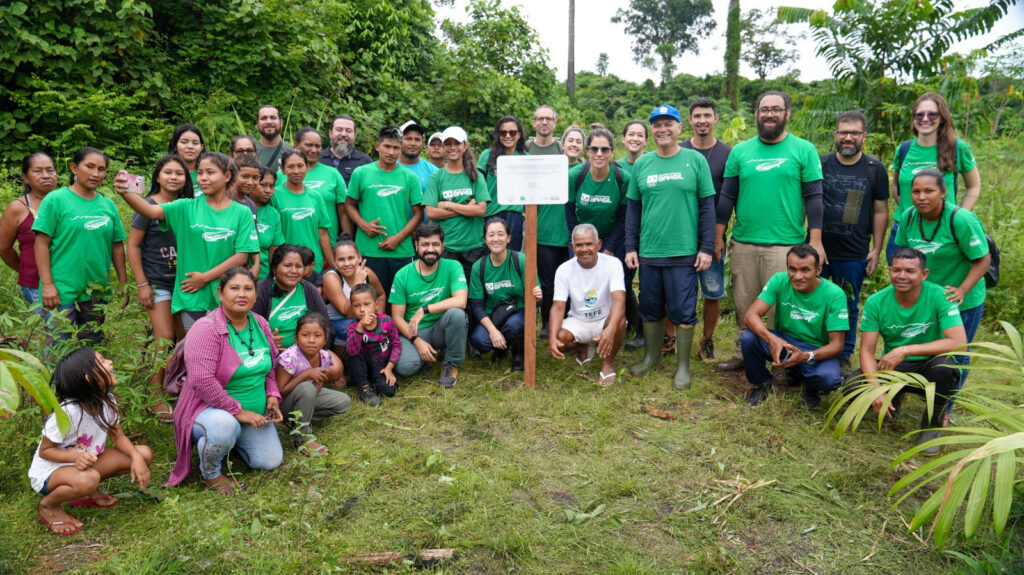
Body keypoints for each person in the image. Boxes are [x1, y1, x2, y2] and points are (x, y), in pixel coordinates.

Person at [715, 90, 825, 372]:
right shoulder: (740, 151)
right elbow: (727, 196)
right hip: (744, 242)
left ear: (787, 114)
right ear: (756, 114)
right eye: (764, 109)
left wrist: (815, 239)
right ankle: (743, 353)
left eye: (776, 109)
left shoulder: (803, 150)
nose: (769, 114)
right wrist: (719, 235)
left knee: (781, 310)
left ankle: (784, 361)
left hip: (785, 245)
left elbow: (814, 196)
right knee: (744, 303)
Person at [167, 268, 284, 492]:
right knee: (224, 425)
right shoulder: (206, 328)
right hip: (207, 410)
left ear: (256, 294)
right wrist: (237, 411)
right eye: (234, 288)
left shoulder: (260, 323)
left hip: (253, 414)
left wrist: (272, 395)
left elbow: (270, 365)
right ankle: (211, 472)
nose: (242, 294)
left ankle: (231, 441)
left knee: (270, 461)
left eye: (248, 289)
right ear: (220, 293)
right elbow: (202, 380)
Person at [625, 105, 715, 390]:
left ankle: (683, 367)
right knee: (650, 306)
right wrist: (631, 246)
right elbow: (633, 211)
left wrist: (706, 247)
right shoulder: (643, 164)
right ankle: (652, 357)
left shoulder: (695, 160)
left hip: (684, 252)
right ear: (652, 130)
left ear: (679, 128)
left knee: (683, 309)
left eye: (668, 124)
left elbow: (707, 208)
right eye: (657, 124)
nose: (662, 129)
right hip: (650, 252)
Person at [116, 153, 258, 330]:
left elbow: (241, 256)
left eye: (210, 172)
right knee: (195, 350)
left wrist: (204, 278)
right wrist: (125, 193)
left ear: (227, 176)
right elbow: (150, 211)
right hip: (192, 294)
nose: (203, 178)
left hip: (227, 294)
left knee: (224, 350)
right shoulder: (185, 207)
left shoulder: (242, 212)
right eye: (200, 173)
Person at [847, 247, 967, 455]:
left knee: (945, 368)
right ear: (890, 271)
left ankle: (932, 424)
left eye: (910, 271)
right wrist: (875, 388)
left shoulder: (940, 295)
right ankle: (893, 397)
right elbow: (866, 351)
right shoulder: (876, 302)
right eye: (896, 270)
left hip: (931, 365)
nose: (902, 276)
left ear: (924, 274)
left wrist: (905, 349)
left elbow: (958, 342)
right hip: (896, 367)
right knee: (852, 386)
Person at [28, 348, 153, 535]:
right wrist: (75, 457)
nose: (110, 362)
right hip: (51, 472)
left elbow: (117, 436)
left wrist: (135, 456)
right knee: (89, 478)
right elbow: (45, 451)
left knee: (143, 454)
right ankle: (48, 506)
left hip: (86, 464)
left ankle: (87, 490)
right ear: (89, 378)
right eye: (103, 361)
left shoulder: (106, 400)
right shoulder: (68, 412)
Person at [895, 169, 990, 399]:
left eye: (929, 191)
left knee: (957, 352)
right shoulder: (909, 217)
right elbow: (905, 254)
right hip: (927, 296)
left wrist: (962, 289)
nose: (921, 197)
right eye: (916, 191)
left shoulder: (961, 220)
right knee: (924, 344)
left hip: (959, 298)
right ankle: (908, 390)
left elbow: (983, 259)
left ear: (943, 192)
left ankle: (945, 405)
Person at [126, 154, 195, 422]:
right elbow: (132, 245)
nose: (174, 177)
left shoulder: (189, 205)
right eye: (168, 172)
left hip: (184, 283)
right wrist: (142, 284)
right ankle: (154, 396)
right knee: (164, 336)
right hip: (157, 281)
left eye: (179, 173)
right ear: (157, 176)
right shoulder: (147, 206)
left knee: (183, 339)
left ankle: (175, 385)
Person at [819, 111, 889, 374]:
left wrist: (876, 249)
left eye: (855, 133)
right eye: (843, 132)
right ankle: (813, 347)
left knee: (848, 303)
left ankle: (844, 353)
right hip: (819, 249)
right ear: (835, 135)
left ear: (863, 137)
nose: (848, 137)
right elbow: (808, 202)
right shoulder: (821, 163)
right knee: (810, 300)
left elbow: (880, 210)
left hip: (853, 251)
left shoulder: (874, 169)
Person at [34, 147, 127, 342]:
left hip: (95, 290)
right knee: (59, 350)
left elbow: (117, 245)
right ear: (74, 168)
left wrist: (123, 283)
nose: (96, 174)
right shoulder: (55, 200)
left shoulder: (108, 205)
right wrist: (48, 284)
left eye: (101, 169)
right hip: (61, 291)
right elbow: (41, 243)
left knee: (91, 350)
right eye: (90, 166)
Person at [741, 244, 848, 407]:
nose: (797, 276)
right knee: (749, 338)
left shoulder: (834, 294)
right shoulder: (779, 280)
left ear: (818, 270)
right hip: (785, 342)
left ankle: (810, 386)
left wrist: (807, 355)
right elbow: (750, 315)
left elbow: (837, 345)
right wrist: (771, 339)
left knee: (829, 379)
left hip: (815, 349)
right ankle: (761, 385)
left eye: (805, 270)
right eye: (792, 269)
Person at [564, 128, 636, 351]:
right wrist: (580, 244)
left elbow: (625, 216)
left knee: (618, 285)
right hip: (582, 237)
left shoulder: (622, 178)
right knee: (580, 284)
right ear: (587, 150)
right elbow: (569, 213)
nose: (599, 153)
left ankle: (622, 327)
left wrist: (610, 248)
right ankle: (581, 333)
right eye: (594, 148)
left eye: (605, 149)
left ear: (612, 152)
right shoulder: (575, 176)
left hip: (613, 236)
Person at [887, 92, 981, 262]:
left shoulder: (957, 148)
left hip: (943, 231)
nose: (925, 119)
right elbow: (897, 186)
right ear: (913, 118)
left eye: (932, 114)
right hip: (905, 229)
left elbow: (973, 186)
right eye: (919, 114)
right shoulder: (904, 149)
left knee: (940, 283)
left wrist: (960, 216)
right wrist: (909, 210)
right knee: (903, 282)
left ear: (942, 118)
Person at [681, 98, 733, 363]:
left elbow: (729, 198)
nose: (702, 120)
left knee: (712, 291)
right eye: (697, 116)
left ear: (716, 119)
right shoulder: (677, 150)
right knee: (675, 289)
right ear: (689, 120)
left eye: (707, 115)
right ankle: (670, 338)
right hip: (679, 233)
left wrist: (717, 236)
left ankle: (707, 340)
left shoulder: (727, 153)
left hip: (712, 235)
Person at [345, 126, 425, 297]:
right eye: (387, 146)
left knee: (400, 300)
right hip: (367, 249)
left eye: (396, 148)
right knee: (370, 299)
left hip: (401, 250)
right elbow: (349, 204)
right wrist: (363, 224)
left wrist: (398, 238)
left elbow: (419, 213)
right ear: (377, 146)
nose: (391, 152)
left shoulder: (409, 177)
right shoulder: (361, 173)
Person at [389, 223, 469, 388]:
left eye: (435, 244)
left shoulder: (453, 266)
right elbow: (396, 317)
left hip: (442, 326)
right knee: (405, 367)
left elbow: (461, 301)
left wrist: (424, 309)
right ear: (416, 245)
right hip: (414, 330)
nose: (430, 249)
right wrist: (416, 340)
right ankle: (426, 358)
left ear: (442, 246)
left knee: (457, 314)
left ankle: (450, 364)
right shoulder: (402, 275)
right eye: (425, 244)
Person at [549, 224, 626, 387]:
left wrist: (610, 329)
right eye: (579, 245)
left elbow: (619, 299)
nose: (584, 249)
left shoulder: (613, 263)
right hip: (579, 320)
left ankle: (608, 363)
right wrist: (552, 337)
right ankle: (582, 348)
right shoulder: (564, 269)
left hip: (605, 318)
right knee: (560, 339)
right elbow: (558, 307)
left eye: (589, 244)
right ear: (572, 247)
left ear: (598, 244)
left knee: (619, 321)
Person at [469, 218, 543, 371]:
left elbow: (537, 302)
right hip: (495, 315)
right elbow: (477, 306)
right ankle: (501, 347)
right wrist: (493, 331)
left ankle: (519, 352)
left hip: (520, 313)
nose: (496, 239)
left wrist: (538, 296)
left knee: (514, 325)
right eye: (491, 235)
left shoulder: (521, 261)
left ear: (509, 238)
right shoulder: (479, 267)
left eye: (501, 234)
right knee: (479, 340)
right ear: (485, 239)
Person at [275, 312, 350, 456]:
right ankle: (302, 438)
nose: (311, 340)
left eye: (317, 336)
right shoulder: (290, 357)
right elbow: (281, 390)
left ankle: (299, 419)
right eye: (305, 335)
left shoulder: (324, 356)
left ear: (325, 340)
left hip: (306, 396)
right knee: (307, 387)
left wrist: (313, 398)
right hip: (284, 404)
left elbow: (319, 381)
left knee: (344, 402)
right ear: (296, 338)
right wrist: (306, 374)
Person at [424, 125, 489, 280]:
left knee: (472, 296)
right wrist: (467, 208)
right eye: (448, 144)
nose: (452, 148)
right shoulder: (436, 177)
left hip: (473, 247)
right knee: (447, 294)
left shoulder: (476, 176)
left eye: (457, 143)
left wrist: (448, 204)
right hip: (446, 247)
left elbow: (481, 210)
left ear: (465, 146)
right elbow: (431, 212)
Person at [530, 105, 570, 339]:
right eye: (540, 118)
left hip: (565, 228)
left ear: (555, 124)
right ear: (534, 122)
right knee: (546, 282)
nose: (544, 122)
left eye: (549, 119)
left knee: (568, 280)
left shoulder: (562, 151)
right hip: (541, 227)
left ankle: (566, 322)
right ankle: (546, 322)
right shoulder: (526, 150)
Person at [0, 153, 57, 306]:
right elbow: (4, 248)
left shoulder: (68, 202)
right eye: (38, 171)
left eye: (50, 170)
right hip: (35, 286)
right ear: (25, 177)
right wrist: (25, 270)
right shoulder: (17, 208)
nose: (46, 176)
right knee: (55, 328)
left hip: (72, 281)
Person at [271, 149, 336, 275]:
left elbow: (323, 234)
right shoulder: (274, 195)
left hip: (312, 264)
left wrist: (333, 265)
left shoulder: (315, 196)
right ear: (283, 170)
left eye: (300, 166)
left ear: (307, 168)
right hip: (286, 264)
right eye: (290, 167)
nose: (296, 171)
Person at [253, 245, 330, 350]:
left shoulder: (309, 290)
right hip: (268, 353)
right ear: (274, 268)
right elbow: (249, 330)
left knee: (336, 366)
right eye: (287, 265)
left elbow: (326, 326)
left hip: (305, 352)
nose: (294, 271)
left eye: (298, 266)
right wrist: (266, 341)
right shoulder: (260, 291)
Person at [322, 238, 387, 353]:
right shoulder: (331, 278)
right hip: (338, 323)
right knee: (349, 326)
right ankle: (342, 360)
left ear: (359, 257)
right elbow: (346, 312)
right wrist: (357, 282)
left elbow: (381, 295)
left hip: (363, 317)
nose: (347, 263)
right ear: (335, 262)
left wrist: (379, 317)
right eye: (341, 260)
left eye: (351, 258)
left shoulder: (367, 273)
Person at [344, 283, 401, 406]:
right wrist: (359, 328)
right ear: (352, 308)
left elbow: (396, 345)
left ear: (376, 304)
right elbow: (352, 352)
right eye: (356, 306)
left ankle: (369, 381)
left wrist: (389, 368)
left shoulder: (386, 321)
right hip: (362, 362)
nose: (362, 309)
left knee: (388, 391)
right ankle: (364, 388)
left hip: (380, 364)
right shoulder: (353, 327)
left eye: (367, 304)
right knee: (351, 350)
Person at [289, 127, 347, 244]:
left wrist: (347, 239)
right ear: (296, 145)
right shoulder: (283, 174)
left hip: (327, 245)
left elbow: (344, 212)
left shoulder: (332, 174)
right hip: (291, 247)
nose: (314, 150)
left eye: (318, 146)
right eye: (309, 145)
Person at [478, 116, 527, 251]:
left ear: (519, 135)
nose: (507, 136)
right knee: (489, 258)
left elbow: (530, 189)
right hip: (490, 214)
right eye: (503, 132)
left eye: (512, 132)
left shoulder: (525, 158)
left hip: (514, 216)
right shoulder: (488, 155)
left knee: (512, 257)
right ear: (498, 135)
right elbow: (477, 184)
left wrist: (526, 210)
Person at [620, 120, 649, 352]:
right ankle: (631, 323)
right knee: (624, 283)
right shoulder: (617, 167)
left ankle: (644, 331)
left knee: (647, 286)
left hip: (649, 233)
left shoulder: (652, 163)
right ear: (623, 138)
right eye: (631, 134)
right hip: (623, 234)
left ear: (646, 141)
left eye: (640, 135)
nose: (635, 139)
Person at [321, 114, 373, 189]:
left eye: (348, 131)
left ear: (355, 135)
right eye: (339, 130)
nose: (343, 134)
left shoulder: (365, 162)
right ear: (330, 133)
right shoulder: (318, 159)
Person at [251, 166, 284, 280]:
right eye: (263, 185)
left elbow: (274, 251)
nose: (268, 190)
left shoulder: (273, 214)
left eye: (272, 186)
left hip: (263, 277)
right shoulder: (238, 208)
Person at [398, 120, 438, 192]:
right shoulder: (387, 168)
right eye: (408, 139)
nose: (413, 143)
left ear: (423, 143)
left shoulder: (433, 172)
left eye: (417, 139)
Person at [255, 105, 288, 172]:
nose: (269, 122)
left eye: (273, 118)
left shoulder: (291, 152)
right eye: (263, 118)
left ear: (281, 122)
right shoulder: (249, 151)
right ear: (258, 123)